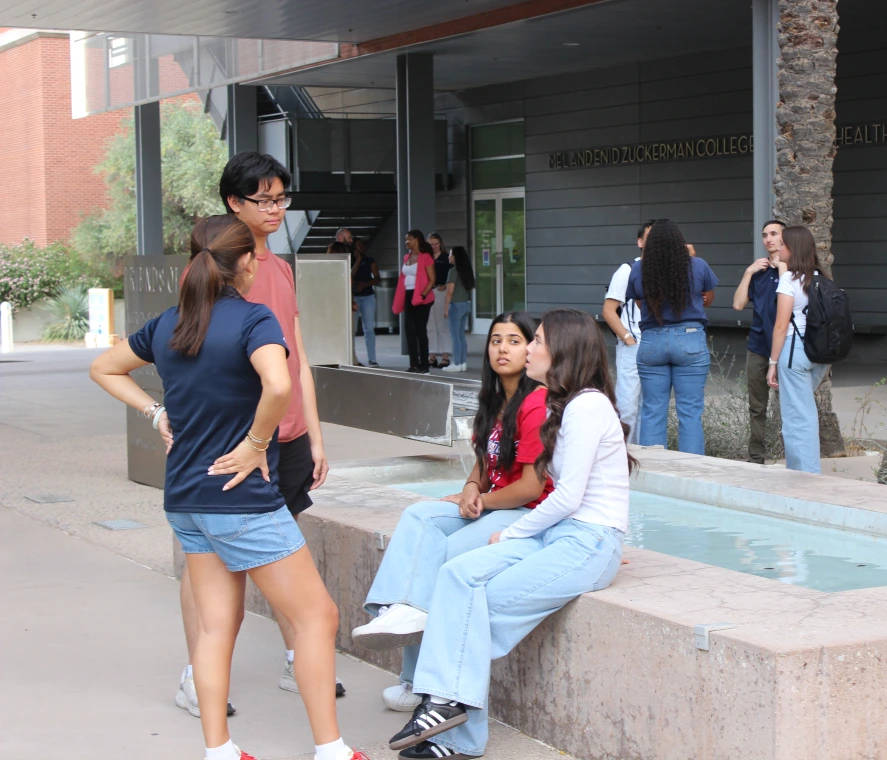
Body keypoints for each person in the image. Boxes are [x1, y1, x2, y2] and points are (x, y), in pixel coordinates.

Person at [89, 216, 367, 760]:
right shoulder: (254, 319)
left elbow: (104, 367)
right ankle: (331, 749)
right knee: (317, 617)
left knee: (216, 628)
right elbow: (279, 384)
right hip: (239, 498)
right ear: (245, 262)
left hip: (185, 498)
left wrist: (155, 413)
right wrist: (258, 443)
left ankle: (220, 751)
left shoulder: (169, 323)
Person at [382, 309, 630, 760]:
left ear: (563, 351)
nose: (527, 349)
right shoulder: (563, 406)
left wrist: (512, 533)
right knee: (457, 577)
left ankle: (449, 723)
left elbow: (569, 496)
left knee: (473, 608)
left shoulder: (587, 406)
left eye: (536, 341)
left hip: (587, 541)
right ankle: (444, 706)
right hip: (558, 533)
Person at [176, 152, 340, 716]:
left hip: (285, 438)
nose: (275, 209)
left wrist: (314, 434)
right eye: (263, 199)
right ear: (233, 202)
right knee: (208, 560)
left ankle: (301, 661)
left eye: (281, 199)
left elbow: (298, 359)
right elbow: (190, 356)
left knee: (285, 549)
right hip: (233, 441)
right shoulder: (208, 271)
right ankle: (195, 676)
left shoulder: (282, 268)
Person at [350, 312, 553, 714]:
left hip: (528, 514)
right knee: (419, 516)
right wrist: (471, 487)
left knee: (445, 558)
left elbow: (532, 487)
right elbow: (484, 463)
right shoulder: (494, 401)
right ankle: (394, 611)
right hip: (495, 503)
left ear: (531, 348)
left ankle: (421, 681)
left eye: (514, 341)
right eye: (496, 340)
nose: (503, 348)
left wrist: (480, 501)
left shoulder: (537, 403)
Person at [626, 219, 719, 455]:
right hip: (689, 338)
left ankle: (654, 470)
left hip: (652, 339)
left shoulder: (638, 269)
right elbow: (708, 297)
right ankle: (691, 471)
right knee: (690, 412)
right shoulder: (698, 265)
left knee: (652, 410)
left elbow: (640, 303)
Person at [767, 225, 830, 474]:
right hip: (820, 351)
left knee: (797, 417)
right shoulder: (821, 277)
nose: (778, 247)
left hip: (795, 350)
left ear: (793, 248)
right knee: (803, 411)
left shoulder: (789, 279)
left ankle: (805, 476)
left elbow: (781, 325)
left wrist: (772, 362)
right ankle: (800, 471)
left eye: (783, 243)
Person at [732, 220, 785, 464]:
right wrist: (748, 272)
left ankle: (793, 457)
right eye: (765, 235)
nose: (768, 239)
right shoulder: (758, 273)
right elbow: (738, 304)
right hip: (758, 346)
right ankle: (756, 457)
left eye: (773, 234)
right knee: (757, 406)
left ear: (784, 238)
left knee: (791, 406)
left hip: (787, 347)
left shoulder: (794, 270)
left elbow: (789, 300)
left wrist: (782, 268)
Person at [601, 220, 652, 443]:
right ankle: (621, 453)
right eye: (650, 238)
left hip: (656, 346)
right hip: (633, 346)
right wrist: (628, 339)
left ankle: (643, 456)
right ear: (640, 242)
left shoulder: (667, 271)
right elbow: (608, 310)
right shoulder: (628, 270)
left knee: (648, 408)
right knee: (628, 406)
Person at [394, 230, 437, 374]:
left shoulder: (425, 257)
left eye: (409, 239)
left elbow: (432, 279)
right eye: (405, 239)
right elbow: (403, 277)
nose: (406, 242)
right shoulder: (407, 256)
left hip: (422, 297)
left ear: (417, 239)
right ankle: (413, 364)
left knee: (420, 330)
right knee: (409, 330)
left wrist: (423, 295)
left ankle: (424, 365)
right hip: (408, 295)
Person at [442, 246, 475, 373]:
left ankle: (456, 363)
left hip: (455, 305)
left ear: (456, 256)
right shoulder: (466, 270)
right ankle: (462, 362)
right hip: (465, 304)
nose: (449, 256)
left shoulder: (453, 271)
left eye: (451, 254)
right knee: (461, 336)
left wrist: (446, 308)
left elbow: (449, 292)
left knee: (455, 336)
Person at [351, 239, 379, 367]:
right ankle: (351, 357)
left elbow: (377, 278)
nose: (360, 248)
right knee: (352, 329)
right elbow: (351, 275)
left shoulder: (370, 260)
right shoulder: (350, 260)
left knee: (369, 328)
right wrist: (357, 261)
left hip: (368, 296)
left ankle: (372, 358)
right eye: (358, 246)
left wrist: (365, 285)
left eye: (362, 245)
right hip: (354, 297)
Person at [427, 233, 453, 369]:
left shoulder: (446, 258)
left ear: (440, 243)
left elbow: (453, 276)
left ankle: (445, 355)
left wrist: (446, 286)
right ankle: (432, 354)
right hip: (428, 291)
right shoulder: (426, 258)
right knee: (430, 325)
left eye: (436, 243)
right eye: (431, 244)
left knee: (442, 324)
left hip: (441, 291)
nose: (434, 246)